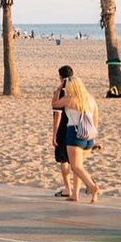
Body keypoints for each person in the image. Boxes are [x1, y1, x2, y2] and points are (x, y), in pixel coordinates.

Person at [51, 74, 101, 203]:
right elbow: (96, 118)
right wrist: (94, 135)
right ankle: (75, 194)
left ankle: (92, 187)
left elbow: (55, 105)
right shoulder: (90, 99)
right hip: (89, 134)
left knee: (76, 166)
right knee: (79, 166)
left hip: (74, 132)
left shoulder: (70, 99)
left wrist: (58, 89)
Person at [51, 65, 74, 198]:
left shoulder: (60, 92)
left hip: (63, 129)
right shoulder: (77, 91)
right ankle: (82, 185)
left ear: (60, 77)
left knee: (64, 160)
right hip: (76, 127)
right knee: (75, 161)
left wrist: (54, 134)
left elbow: (57, 114)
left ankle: (67, 189)